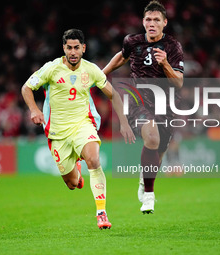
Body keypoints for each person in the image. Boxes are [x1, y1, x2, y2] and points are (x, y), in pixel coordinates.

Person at [21, 29, 135, 229]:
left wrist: (124, 123)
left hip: (83, 125)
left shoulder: (91, 70)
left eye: (76, 48)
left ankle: (101, 213)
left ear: (83, 48)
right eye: (69, 48)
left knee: (93, 159)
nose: (72, 52)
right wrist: (34, 110)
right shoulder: (51, 69)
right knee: (72, 184)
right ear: (63, 48)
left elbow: (114, 95)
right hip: (58, 134)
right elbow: (26, 88)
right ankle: (77, 172)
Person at [103, 0, 184, 214]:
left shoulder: (173, 47)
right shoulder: (133, 41)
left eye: (156, 20)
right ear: (143, 21)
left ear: (164, 23)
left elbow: (179, 82)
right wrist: (100, 75)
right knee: (152, 138)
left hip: (164, 105)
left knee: (159, 149)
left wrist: (165, 64)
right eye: (148, 19)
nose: (152, 23)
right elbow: (122, 56)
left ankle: (144, 181)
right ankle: (149, 195)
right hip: (137, 100)